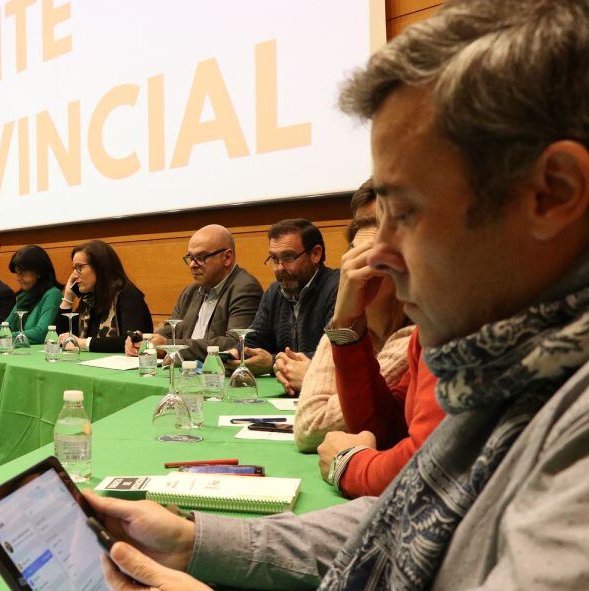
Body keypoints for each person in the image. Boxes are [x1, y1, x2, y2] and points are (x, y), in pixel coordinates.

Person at [87, 1, 589, 589]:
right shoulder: (508, 367)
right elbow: (401, 513)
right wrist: (195, 541)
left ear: (553, 194)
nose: (379, 254)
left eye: (404, 212)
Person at [295, 179, 416, 452]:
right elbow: (308, 428)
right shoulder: (357, 316)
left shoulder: (417, 331)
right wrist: (344, 320)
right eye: (365, 224)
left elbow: (315, 425)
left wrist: (345, 322)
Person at [124, 225, 262, 362]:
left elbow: (235, 344)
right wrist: (145, 340)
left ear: (227, 257)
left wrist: (169, 346)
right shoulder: (191, 291)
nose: (192, 264)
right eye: (190, 257)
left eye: (201, 257)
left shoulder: (245, 288)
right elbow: (172, 331)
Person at [242, 218, 340, 395]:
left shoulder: (338, 287)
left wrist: (272, 362)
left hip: (324, 393)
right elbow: (253, 340)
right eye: (274, 259)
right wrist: (239, 353)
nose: (279, 268)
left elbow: (335, 355)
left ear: (315, 254)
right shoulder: (274, 291)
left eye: (288, 257)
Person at [57, 240, 153, 352]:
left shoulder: (128, 295)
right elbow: (61, 336)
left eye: (80, 267)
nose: (74, 275)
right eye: (74, 268)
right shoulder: (88, 299)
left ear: (100, 267)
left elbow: (132, 340)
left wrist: (83, 343)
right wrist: (68, 298)